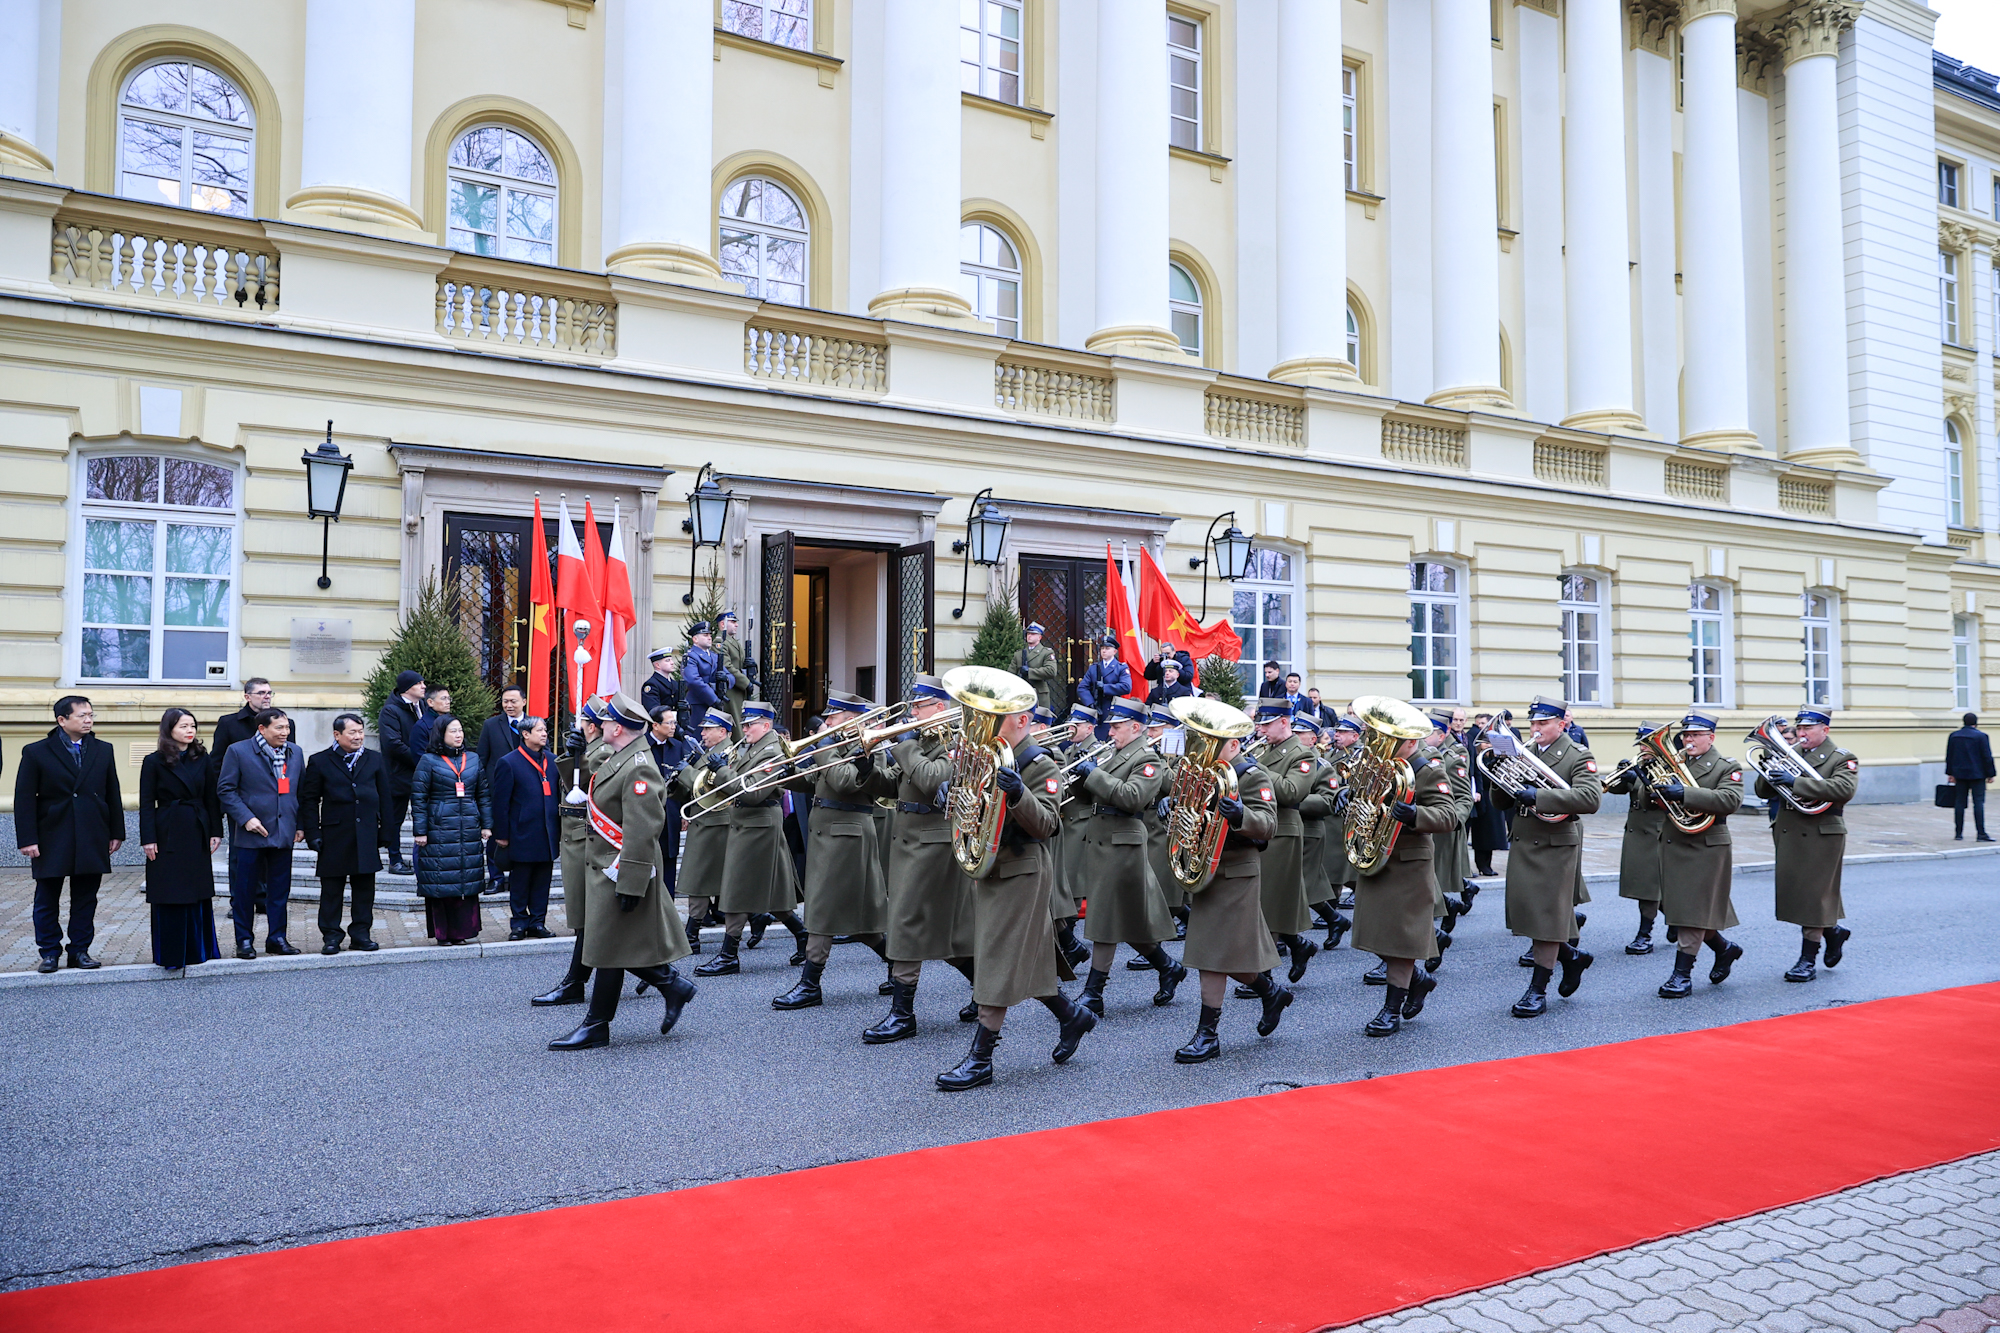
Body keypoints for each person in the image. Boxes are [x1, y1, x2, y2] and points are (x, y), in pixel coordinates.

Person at [937, 692, 1098, 1090]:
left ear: (1023, 721)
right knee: (1022, 959)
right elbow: (972, 803)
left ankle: (980, 1059)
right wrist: (948, 792)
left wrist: (1019, 794)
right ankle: (1072, 1015)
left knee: (996, 959)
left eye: (998, 718)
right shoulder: (986, 755)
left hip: (1023, 868)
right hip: (992, 866)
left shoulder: (1039, 763)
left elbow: (1047, 825)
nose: (988, 725)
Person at [549, 694, 698, 1050]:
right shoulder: (621, 757)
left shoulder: (639, 766)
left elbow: (643, 829)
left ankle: (597, 1024)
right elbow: (584, 788)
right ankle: (670, 987)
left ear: (618, 728)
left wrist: (631, 883)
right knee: (609, 944)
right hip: (607, 866)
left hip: (622, 868)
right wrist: (574, 756)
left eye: (605, 723)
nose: (599, 727)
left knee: (608, 944)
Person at [865, 676, 982, 1042]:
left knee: (907, 922)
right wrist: (866, 765)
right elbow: (894, 785)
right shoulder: (922, 741)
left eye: (919, 706)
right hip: (908, 839)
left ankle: (903, 1014)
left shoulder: (959, 742)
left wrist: (903, 744)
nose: (913, 712)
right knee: (944, 933)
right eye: (913, 706)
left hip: (932, 843)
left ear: (940, 708)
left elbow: (932, 778)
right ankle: (986, 990)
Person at [1173, 711, 1294, 1062]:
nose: (1203, 749)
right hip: (1205, 868)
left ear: (1235, 744)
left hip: (1237, 871)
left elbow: (1269, 824)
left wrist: (1241, 815)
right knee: (1211, 952)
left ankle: (1207, 1034)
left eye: (1212, 742)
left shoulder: (1252, 775)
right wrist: (1172, 807)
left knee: (1213, 955)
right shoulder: (1200, 773)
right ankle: (1270, 992)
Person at [775, 693, 896, 1010]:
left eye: (833, 717)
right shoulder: (831, 747)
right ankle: (899, 967)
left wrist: (817, 752)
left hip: (848, 834)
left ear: (851, 718)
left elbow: (846, 783)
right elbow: (817, 781)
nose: (827, 722)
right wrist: (787, 774)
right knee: (864, 921)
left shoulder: (870, 744)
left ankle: (810, 983)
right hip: (827, 833)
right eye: (828, 717)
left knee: (822, 909)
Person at [1348, 710, 1460, 1037]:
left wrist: (1415, 815)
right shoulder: (1381, 765)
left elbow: (1448, 816)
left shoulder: (1428, 769)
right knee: (1373, 932)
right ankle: (1418, 980)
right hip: (1376, 856)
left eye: (1389, 739)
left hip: (1409, 861)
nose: (1378, 744)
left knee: (1399, 938)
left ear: (1410, 742)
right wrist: (1349, 796)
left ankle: (1391, 1009)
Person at [1490, 696, 1603, 1018]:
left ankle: (1537, 990)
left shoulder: (1578, 755)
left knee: (1547, 920)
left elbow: (1590, 798)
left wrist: (1539, 795)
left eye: (1543, 723)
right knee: (1530, 915)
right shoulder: (1525, 754)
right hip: (1525, 842)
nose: (1536, 730)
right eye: (1533, 724)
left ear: (1561, 724)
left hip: (1556, 845)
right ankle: (1571, 957)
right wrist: (1500, 772)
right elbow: (1500, 802)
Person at [1072, 697, 1186, 1015]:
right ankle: (1168, 967)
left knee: (1105, 919)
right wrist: (1082, 777)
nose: (1111, 732)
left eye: (1118, 727)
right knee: (1130, 920)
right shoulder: (1116, 753)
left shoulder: (1148, 759)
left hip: (1123, 845)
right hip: (1103, 842)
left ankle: (1094, 992)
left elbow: (1132, 798)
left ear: (1136, 728)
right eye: (1111, 726)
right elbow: (1093, 793)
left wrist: (1094, 774)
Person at [690, 699, 807, 977]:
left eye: (750, 724)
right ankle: (803, 935)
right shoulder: (748, 746)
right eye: (743, 724)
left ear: (766, 725)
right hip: (746, 823)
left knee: (735, 889)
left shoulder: (773, 753)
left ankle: (728, 954)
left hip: (759, 824)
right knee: (775, 895)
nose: (744, 729)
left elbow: (752, 793)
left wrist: (721, 771)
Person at [15, 696, 124, 971]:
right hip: (52, 833)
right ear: (62, 720)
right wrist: (28, 839)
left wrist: (116, 832)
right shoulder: (36, 751)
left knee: (86, 897)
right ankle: (50, 952)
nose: (88, 720)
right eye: (82, 716)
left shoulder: (103, 750)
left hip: (92, 831)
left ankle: (80, 951)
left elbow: (113, 792)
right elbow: (24, 798)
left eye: (91, 715)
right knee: (47, 897)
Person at [1754, 706, 1858, 983]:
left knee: (1813, 896)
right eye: (1799, 729)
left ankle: (1807, 960)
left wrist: (1795, 781)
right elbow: (1762, 791)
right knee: (1800, 894)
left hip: (1822, 835)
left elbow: (1842, 790)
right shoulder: (1791, 754)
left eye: (1807, 729)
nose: (1801, 734)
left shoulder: (1842, 758)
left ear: (1825, 730)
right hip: (1790, 833)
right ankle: (1833, 931)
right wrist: (1768, 767)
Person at [1651, 713, 1747, 997]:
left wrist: (1685, 793)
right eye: (1685, 735)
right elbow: (1652, 800)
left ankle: (1682, 975)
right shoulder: (1673, 764)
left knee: (1691, 913)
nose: (1688, 740)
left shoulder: (1726, 766)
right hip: (1674, 843)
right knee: (1679, 907)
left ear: (1711, 738)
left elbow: (1730, 800)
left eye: (1695, 735)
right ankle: (1724, 948)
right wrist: (1646, 781)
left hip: (1706, 845)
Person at [531, 701, 608, 1006]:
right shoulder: (593, 749)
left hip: (586, 840)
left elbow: (591, 789)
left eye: (581, 723)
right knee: (588, 919)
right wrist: (572, 755)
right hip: (576, 838)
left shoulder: (602, 752)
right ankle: (665, 979)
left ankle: (575, 982)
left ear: (591, 726)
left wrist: (577, 757)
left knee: (589, 919)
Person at [298, 711, 393, 954]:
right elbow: (309, 800)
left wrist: (386, 832)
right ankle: (331, 935)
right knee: (332, 890)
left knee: (364, 889)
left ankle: (361, 934)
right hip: (334, 835)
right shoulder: (320, 761)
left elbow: (385, 797)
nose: (358, 737)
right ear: (337, 734)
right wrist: (313, 833)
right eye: (353, 732)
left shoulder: (374, 759)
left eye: (361, 732)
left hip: (366, 833)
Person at [217, 707, 306, 958]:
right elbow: (226, 790)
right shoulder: (238, 751)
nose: (285, 732)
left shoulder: (295, 752)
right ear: (262, 729)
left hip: (283, 833)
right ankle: (244, 940)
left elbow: (300, 792)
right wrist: (246, 819)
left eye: (287, 727)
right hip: (250, 834)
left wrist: (300, 824)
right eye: (279, 728)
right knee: (244, 892)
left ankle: (277, 938)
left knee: (279, 891)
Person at [139, 708, 223, 969]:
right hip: (167, 830)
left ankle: (200, 949)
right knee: (170, 889)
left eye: (193, 726)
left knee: (196, 888)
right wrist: (148, 838)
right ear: (169, 730)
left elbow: (212, 797)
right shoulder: (154, 761)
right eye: (184, 726)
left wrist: (216, 831)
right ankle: (172, 954)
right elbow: (145, 802)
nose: (190, 731)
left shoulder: (202, 758)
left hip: (197, 828)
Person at [1249, 701, 1321, 985]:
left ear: (1284, 722)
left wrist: (1256, 770)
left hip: (1283, 830)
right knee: (1264, 899)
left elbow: (1292, 792)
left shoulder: (1302, 754)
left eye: (1267, 724)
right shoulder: (1265, 751)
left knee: (1270, 901)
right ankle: (1298, 946)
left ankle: (1263, 975)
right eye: (1261, 724)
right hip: (1260, 826)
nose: (1261, 730)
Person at [410, 714, 491, 946]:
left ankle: (462, 931)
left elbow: (483, 794)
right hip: (439, 829)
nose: (458, 735)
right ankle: (443, 933)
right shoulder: (428, 760)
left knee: (466, 879)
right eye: (453, 731)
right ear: (441, 735)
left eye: (460, 730)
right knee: (440, 881)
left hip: (468, 827)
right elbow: (419, 797)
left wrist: (487, 824)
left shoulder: (473, 759)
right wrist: (420, 831)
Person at [492, 716, 562, 940]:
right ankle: (519, 923)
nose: (544, 734)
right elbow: (500, 803)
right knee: (520, 881)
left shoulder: (552, 761)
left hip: (547, 832)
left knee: (543, 881)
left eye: (545, 730)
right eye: (539, 730)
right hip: (521, 832)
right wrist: (501, 835)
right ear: (525, 734)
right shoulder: (509, 762)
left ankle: (538, 922)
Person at [673, 709, 735, 951]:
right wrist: (676, 781)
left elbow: (710, 788)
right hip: (704, 822)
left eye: (708, 729)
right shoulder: (708, 751)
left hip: (717, 824)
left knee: (697, 879)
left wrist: (687, 773)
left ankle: (693, 932)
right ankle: (693, 931)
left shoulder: (729, 753)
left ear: (722, 732)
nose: (702, 732)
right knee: (696, 879)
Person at [1604, 723, 1668, 954]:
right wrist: (1622, 775)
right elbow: (1616, 790)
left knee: (1648, 887)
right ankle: (1675, 919)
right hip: (1636, 832)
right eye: (1641, 743)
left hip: (1657, 833)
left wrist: (1639, 777)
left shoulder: (1670, 766)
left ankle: (1645, 934)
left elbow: (1658, 795)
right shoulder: (1640, 763)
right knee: (1643, 883)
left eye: (1646, 743)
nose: (1642, 747)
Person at [478, 687, 530, 894]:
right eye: (505, 701)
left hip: (525, 790)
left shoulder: (535, 724)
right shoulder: (491, 725)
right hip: (497, 790)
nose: (508, 705)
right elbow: (482, 757)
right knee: (494, 835)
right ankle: (496, 877)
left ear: (524, 702)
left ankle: (519, 877)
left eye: (513, 701)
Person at [646, 706, 699, 899]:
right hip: (647, 813)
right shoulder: (641, 746)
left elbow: (684, 784)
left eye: (674, 723)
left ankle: (668, 904)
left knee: (669, 859)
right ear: (655, 725)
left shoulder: (677, 746)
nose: (673, 727)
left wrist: (685, 813)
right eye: (669, 723)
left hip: (671, 812)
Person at [377, 670, 426, 874]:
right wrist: (422, 759)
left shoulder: (422, 706)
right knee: (395, 819)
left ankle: (422, 858)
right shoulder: (391, 711)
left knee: (423, 815)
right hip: (398, 774)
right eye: (419, 683)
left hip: (420, 774)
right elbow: (392, 744)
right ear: (408, 687)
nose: (424, 686)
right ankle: (394, 859)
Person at [1465, 713, 1509, 877]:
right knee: (1481, 834)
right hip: (1482, 795)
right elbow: (1480, 774)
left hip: (1494, 796)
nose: (1486, 744)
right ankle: (1481, 865)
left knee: (1492, 833)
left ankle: (1487, 864)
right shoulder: (1477, 752)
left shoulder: (1494, 753)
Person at [1944, 712, 1995, 841]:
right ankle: (1981, 833)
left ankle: (1958, 833)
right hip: (1977, 774)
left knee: (1959, 803)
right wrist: (1991, 774)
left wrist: (1950, 773)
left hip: (1960, 774)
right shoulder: (1981, 736)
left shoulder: (1954, 736)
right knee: (1978, 803)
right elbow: (1987, 757)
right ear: (1976, 723)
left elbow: (1949, 756)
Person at [211, 678, 271, 765]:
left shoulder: (283, 723)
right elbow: (217, 760)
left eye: (269, 693)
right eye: (261, 693)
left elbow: (291, 758)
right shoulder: (228, 723)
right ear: (247, 697)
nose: (267, 696)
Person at [715, 610, 756, 730]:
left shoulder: (733, 642)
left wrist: (751, 666)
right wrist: (745, 682)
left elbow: (739, 663)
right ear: (722, 624)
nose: (736, 625)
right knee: (736, 727)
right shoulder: (720, 641)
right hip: (731, 690)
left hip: (738, 690)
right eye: (733, 622)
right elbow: (726, 666)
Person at [680, 621, 727, 723]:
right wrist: (714, 699)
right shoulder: (691, 656)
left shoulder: (714, 656)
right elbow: (693, 681)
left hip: (715, 704)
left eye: (710, 635)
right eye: (705, 635)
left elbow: (730, 675)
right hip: (698, 704)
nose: (709, 638)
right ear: (695, 639)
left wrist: (725, 679)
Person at [1076, 636, 1133, 718]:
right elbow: (1082, 688)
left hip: (1111, 707)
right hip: (1095, 707)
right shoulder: (1094, 668)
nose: (1104, 651)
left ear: (1114, 651)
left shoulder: (1121, 667)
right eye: (1102, 648)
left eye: (1107, 648)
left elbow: (1126, 687)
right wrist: (1090, 703)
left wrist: (1105, 687)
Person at [1017, 623, 1063, 718]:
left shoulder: (1046, 652)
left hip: (1039, 693)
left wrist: (1030, 672)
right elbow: (1011, 673)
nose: (1029, 636)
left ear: (1039, 637)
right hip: (1022, 693)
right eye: (1028, 633)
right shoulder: (1019, 653)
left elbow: (1051, 671)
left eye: (1033, 634)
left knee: (1039, 722)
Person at [640, 647, 686, 729]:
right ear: (657, 665)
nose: (672, 663)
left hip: (675, 727)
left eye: (671, 660)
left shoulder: (674, 684)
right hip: (660, 729)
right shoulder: (651, 685)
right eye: (667, 660)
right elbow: (654, 711)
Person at [411, 685, 451, 757]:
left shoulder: (452, 722)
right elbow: (421, 758)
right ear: (430, 702)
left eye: (449, 698)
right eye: (443, 698)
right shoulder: (421, 727)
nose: (448, 702)